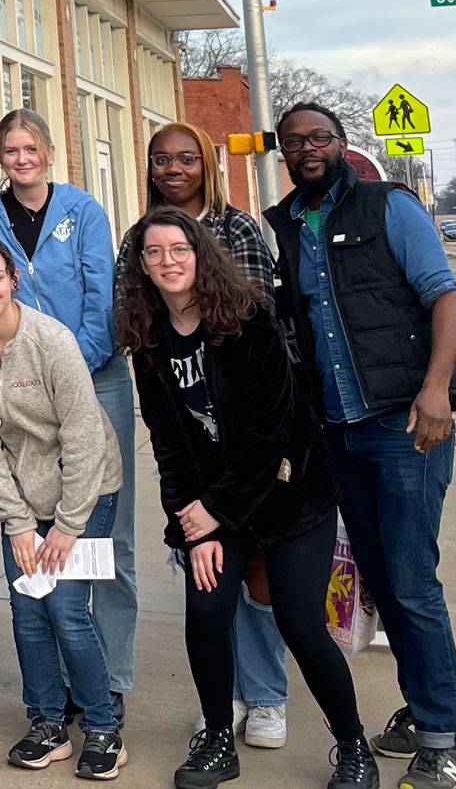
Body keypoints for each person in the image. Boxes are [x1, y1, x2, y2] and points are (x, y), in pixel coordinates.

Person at [127, 209, 375, 789]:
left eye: (179, 249)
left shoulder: (247, 321)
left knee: (298, 620)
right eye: (154, 252)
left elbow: (271, 434)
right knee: (207, 610)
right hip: (217, 503)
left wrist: (214, 514)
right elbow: (169, 444)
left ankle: (353, 745)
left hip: (290, 494)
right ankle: (217, 740)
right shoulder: (148, 342)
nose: (168, 261)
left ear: (201, 254)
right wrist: (193, 528)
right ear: (141, 266)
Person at [265, 104, 456, 789]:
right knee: (383, 580)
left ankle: (444, 738)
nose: (306, 148)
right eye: (294, 141)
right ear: (283, 153)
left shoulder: (390, 206)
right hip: (338, 431)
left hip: (404, 421)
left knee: (412, 579)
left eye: (318, 136)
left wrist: (436, 389)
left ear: (342, 143)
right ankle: (423, 706)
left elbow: (444, 296)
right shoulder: (283, 225)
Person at [116, 120, 291, 752]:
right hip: (191, 439)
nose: (173, 168)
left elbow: (255, 316)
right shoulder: (139, 239)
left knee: (258, 579)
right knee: (209, 579)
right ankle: (227, 698)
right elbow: (130, 314)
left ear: (206, 165)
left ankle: (267, 694)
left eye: (187, 158)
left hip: (245, 436)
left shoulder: (237, 227)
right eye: (161, 159)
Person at [0, 110, 134, 712]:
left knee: (107, 534)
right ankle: (63, 679)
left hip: (94, 371)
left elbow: (101, 293)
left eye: (29, 147)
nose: (20, 158)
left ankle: (110, 676)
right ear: (0, 158)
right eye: (9, 150)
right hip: (24, 378)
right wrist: (38, 374)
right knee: (40, 514)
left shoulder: (83, 210)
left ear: (50, 151)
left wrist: (71, 368)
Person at [0, 235, 125, 782]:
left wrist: (68, 527)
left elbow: (83, 434)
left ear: (13, 279)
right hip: (23, 497)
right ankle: (47, 723)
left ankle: (102, 729)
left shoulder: (50, 339)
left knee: (67, 609)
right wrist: (19, 524)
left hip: (87, 489)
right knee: (27, 608)